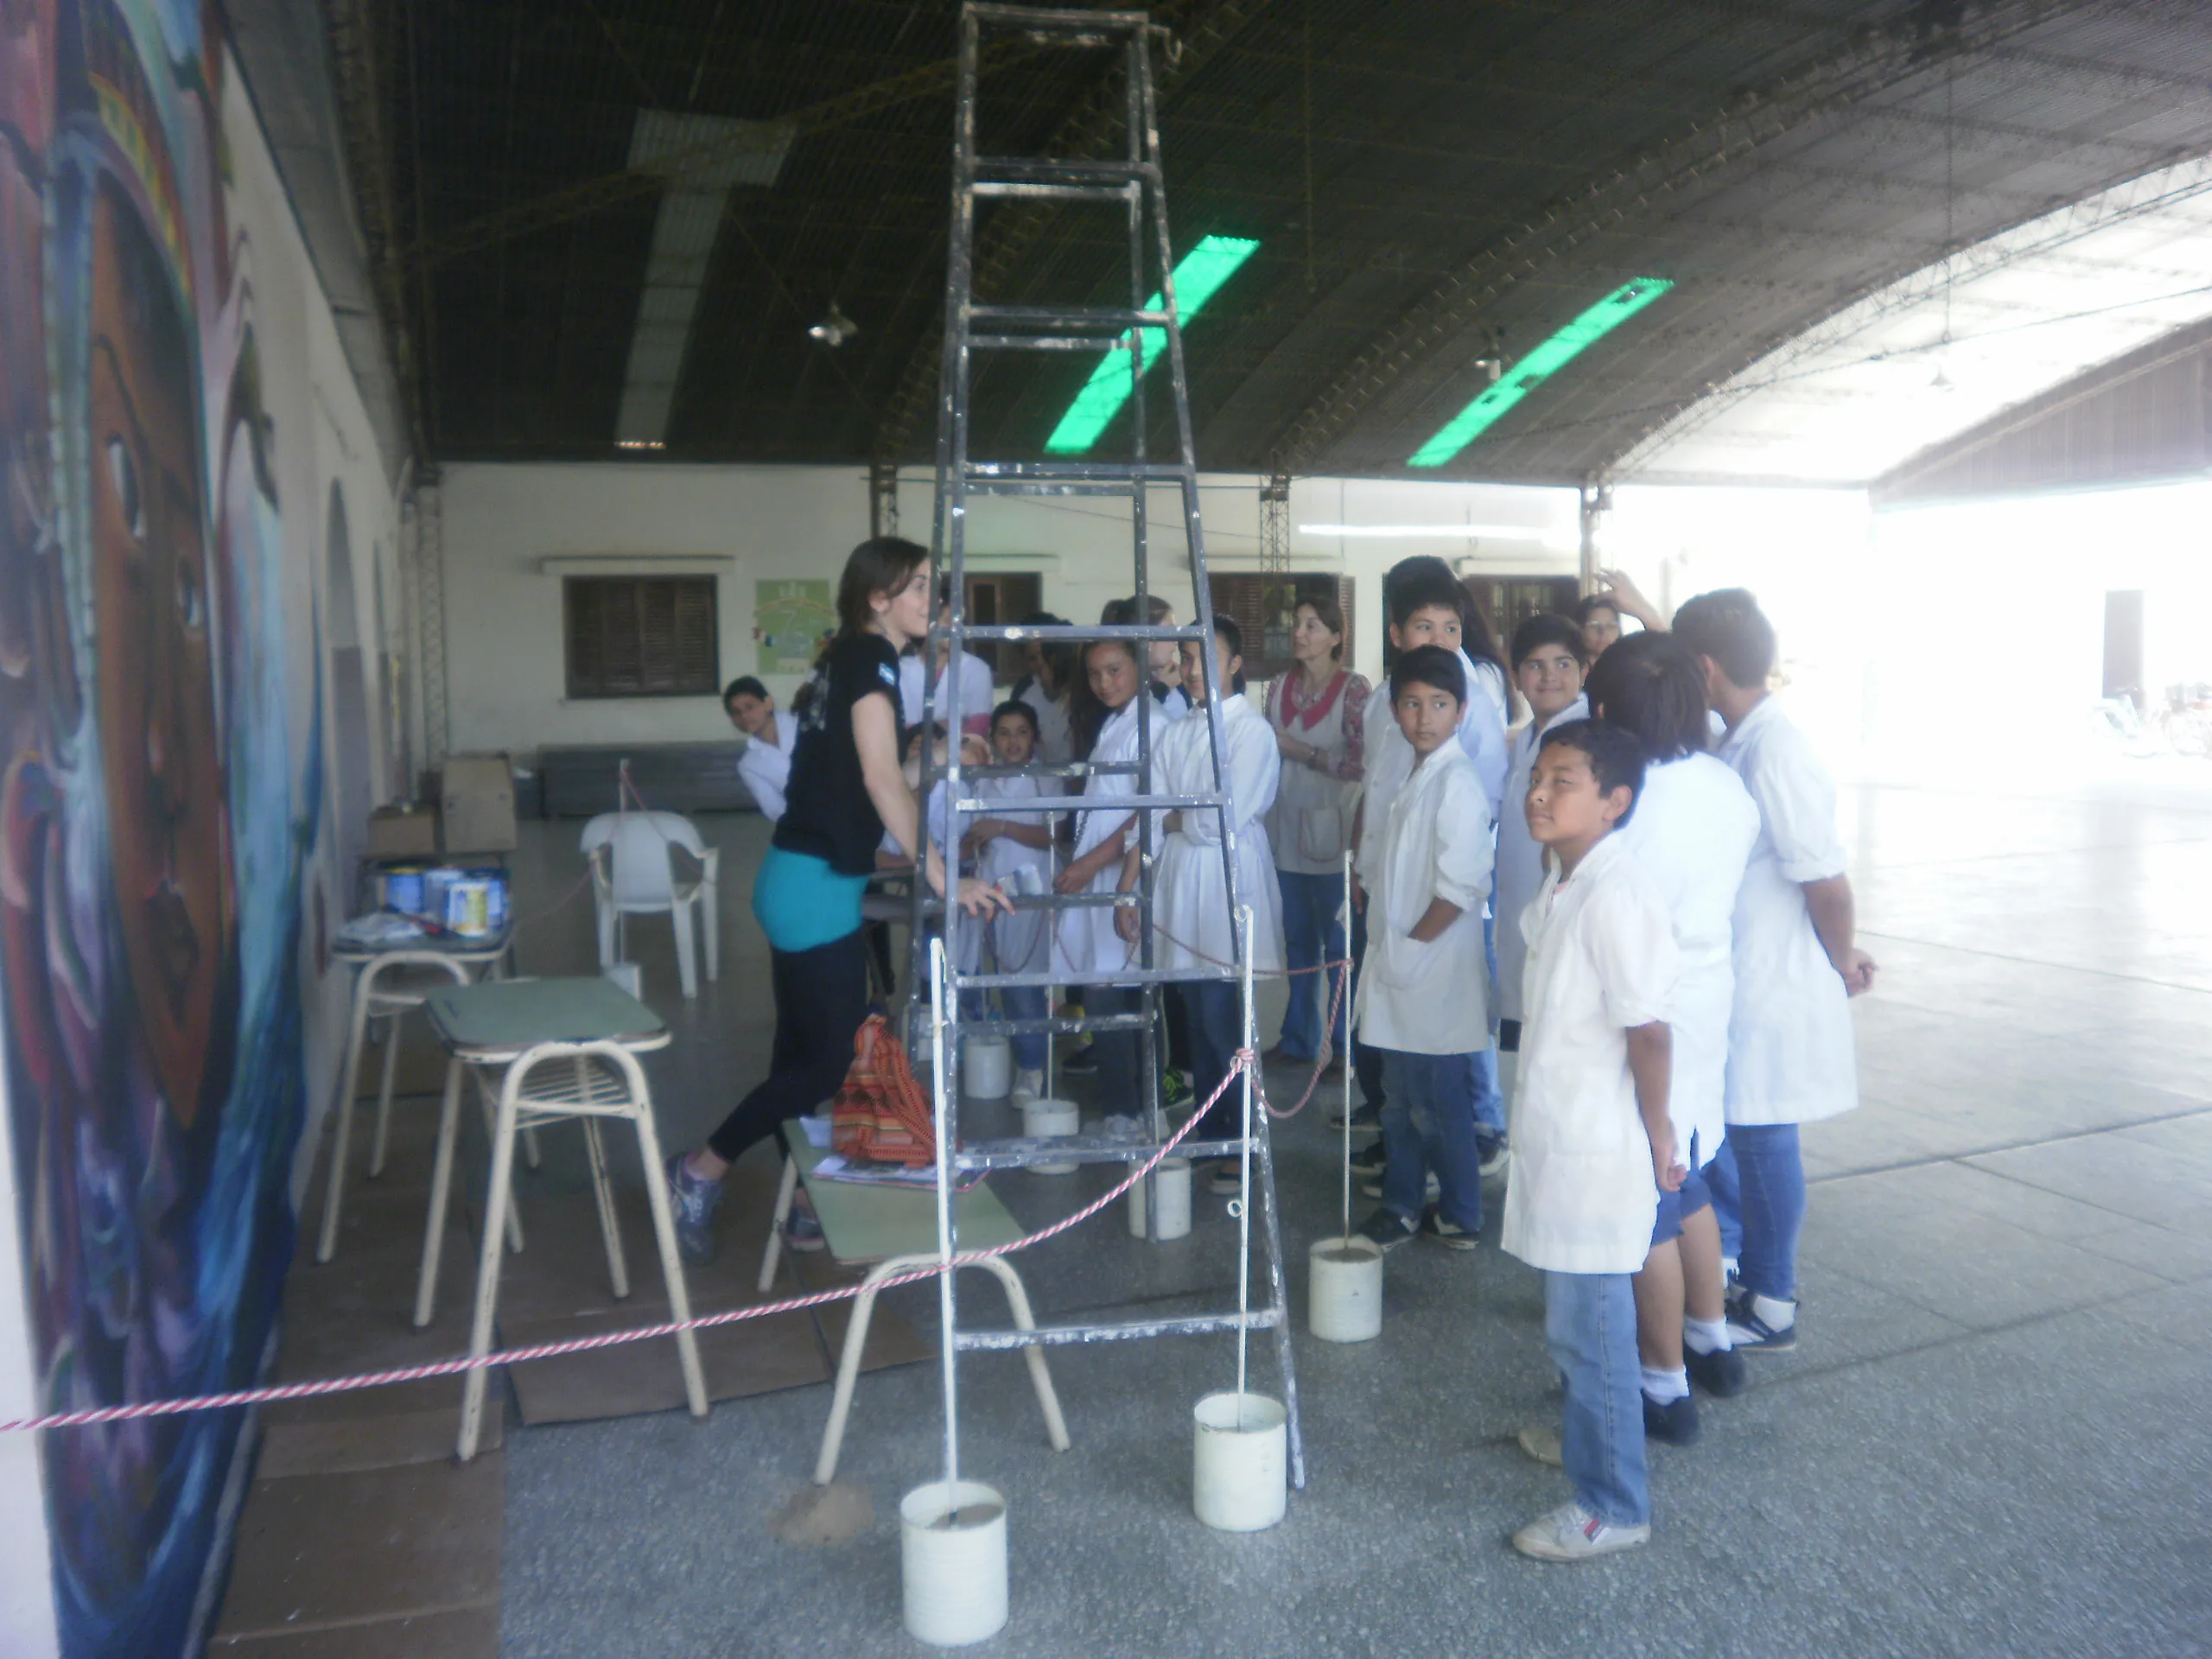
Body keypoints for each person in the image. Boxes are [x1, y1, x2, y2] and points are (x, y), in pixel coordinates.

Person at [664, 538, 1008, 1262]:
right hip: (813, 888)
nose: (933, 601)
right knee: (831, 1064)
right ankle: (700, 1170)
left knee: (802, 1057)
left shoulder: (846, 658)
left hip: (802, 878)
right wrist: (945, 876)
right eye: (918, 587)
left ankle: (800, 1203)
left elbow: (863, 774)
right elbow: (881, 779)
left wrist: (937, 757)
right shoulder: (871, 658)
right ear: (878, 598)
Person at [1672, 588, 1875, 1354]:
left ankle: (1772, 1302)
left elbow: (1826, 882)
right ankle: (1753, 1278)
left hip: (1774, 979)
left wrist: (1842, 957)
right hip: (1745, 974)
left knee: (1763, 1141)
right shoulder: (1741, 739)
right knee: (1747, 1138)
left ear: (1704, 668)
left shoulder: (1777, 751)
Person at [1506, 718, 1679, 1562]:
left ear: (1614, 802)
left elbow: (1649, 1030)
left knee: (1594, 1333)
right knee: (1577, 1330)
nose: (1539, 794)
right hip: (1563, 1131)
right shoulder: (1567, 879)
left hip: (1597, 1147)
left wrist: (1659, 1131)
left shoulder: (1617, 895)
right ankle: (1591, 1443)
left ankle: (1614, 1504)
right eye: (1537, 778)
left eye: (1562, 781)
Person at [1586, 632, 1761, 1444]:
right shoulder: (1724, 783)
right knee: (1686, 1175)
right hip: (1704, 993)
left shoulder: (1624, 796)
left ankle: (1662, 1386)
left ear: (1604, 710)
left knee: (1646, 1199)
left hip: (1642, 1005)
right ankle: (1710, 1340)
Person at [1133, 614, 1282, 1195]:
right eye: (1187, 658)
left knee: (1224, 1021)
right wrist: (1175, 819)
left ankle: (1241, 1141)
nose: (1193, 669)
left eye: (1207, 657)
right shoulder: (1178, 731)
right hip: (1181, 882)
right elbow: (1154, 809)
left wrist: (1177, 819)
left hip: (1225, 880)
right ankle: (1210, 1129)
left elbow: (1221, 819)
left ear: (1236, 663)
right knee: (1194, 1018)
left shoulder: (1251, 732)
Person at [1352, 646, 1494, 1253]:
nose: (1424, 716)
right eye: (1411, 704)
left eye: (1438, 704)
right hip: (1403, 965)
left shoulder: (1457, 783)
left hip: (1432, 968)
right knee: (1400, 1099)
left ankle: (1460, 1210)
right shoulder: (1418, 774)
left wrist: (1410, 949)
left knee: (1436, 1102)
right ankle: (1404, 1202)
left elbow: (1459, 889)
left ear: (1461, 712)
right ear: (1394, 710)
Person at [1263, 594, 1366, 1072]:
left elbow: (1361, 764)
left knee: (1339, 947)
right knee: (1298, 942)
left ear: (1336, 637)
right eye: (1297, 623)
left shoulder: (1354, 690)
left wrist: (1302, 752)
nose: (1300, 633)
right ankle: (1298, 1037)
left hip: (1334, 832)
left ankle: (1341, 1045)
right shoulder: (1278, 686)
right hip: (1283, 827)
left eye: (1312, 625)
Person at [1055, 635, 1151, 1116]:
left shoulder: (1151, 725)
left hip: (1122, 876)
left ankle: (1127, 1112)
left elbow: (1144, 816)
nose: (1104, 683)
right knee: (1107, 991)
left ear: (1138, 665)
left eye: (1114, 670)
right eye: (1094, 674)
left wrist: (1088, 865)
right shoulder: (1117, 720)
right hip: (1101, 874)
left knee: (1110, 994)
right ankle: (1128, 1109)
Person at [1494, 614, 1590, 1072]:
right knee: (1521, 1046)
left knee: (1554, 1049)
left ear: (1584, 671)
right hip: (1519, 913)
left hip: (1558, 914)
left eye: (1563, 664)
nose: (1550, 676)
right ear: (1516, 677)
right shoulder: (1527, 739)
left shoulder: (1584, 739)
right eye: (1535, 666)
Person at [962, 701, 1059, 1096]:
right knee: (991, 979)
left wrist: (1001, 826)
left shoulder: (1045, 779)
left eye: (1022, 732)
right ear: (993, 738)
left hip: (1029, 892)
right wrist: (975, 839)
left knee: (1022, 982)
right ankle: (1002, 1061)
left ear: (1034, 736)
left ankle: (1031, 1069)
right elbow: (971, 833)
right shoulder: (983, 779)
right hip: (987, 889)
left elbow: (1054, 835)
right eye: (1004, 733)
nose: (1013, 741)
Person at [899, 582, 998, 737]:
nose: (956, 630)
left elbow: (979, 726)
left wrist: (929, 732)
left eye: (960, 623)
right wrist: (955, 724)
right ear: (929, 622)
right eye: (949, 621)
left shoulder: (977, 669)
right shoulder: (901, 669)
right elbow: (903, 728)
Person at [727, 676, 799, 822]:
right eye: (736, 712)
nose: (744, 716)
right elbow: (775, 809)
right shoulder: (749, 765)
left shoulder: (801, 723)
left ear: (767, 703)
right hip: (809, 822)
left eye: (750, 707)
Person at [1011, 613, 1077, 766]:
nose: (1041, 663)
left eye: (1046, 655)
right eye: (1033, 658)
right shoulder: (1024, 695)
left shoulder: (1091, 692)